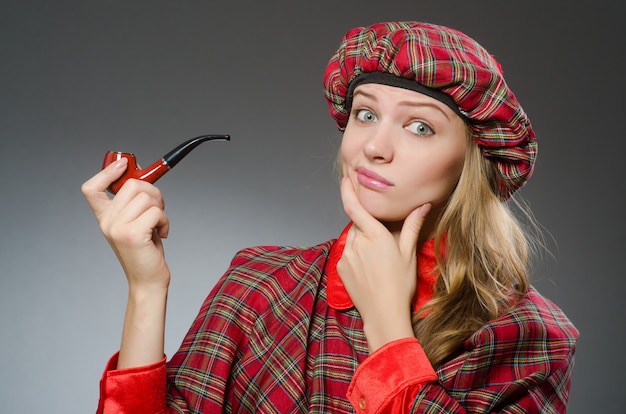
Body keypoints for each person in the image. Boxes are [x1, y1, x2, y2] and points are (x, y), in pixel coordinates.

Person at [83, 21, 578, 413]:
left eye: (420, 126)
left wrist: (388, 326)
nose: (374, 147)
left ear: (471, 160)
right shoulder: (261, 283)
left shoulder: (530, 335)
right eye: (365, 114)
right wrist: (146, 287)